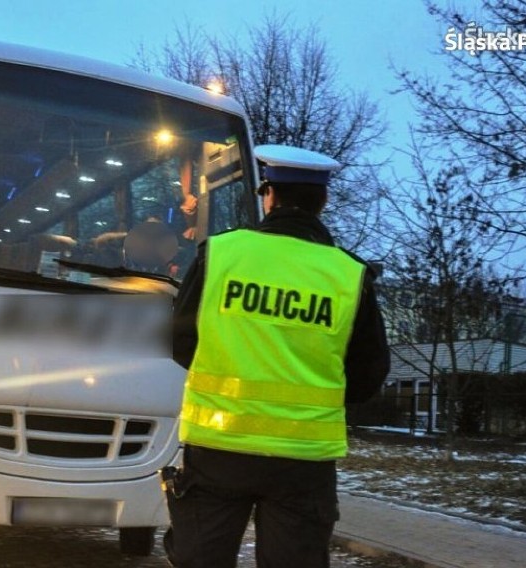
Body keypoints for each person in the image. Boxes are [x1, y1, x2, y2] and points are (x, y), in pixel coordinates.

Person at [164, 144, 391, 568]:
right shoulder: (348, 275)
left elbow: (180, 343)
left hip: (217, 450)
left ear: (268, 195)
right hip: (302, 463)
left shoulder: (220, 255)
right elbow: (368, 375)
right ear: (321, 202)